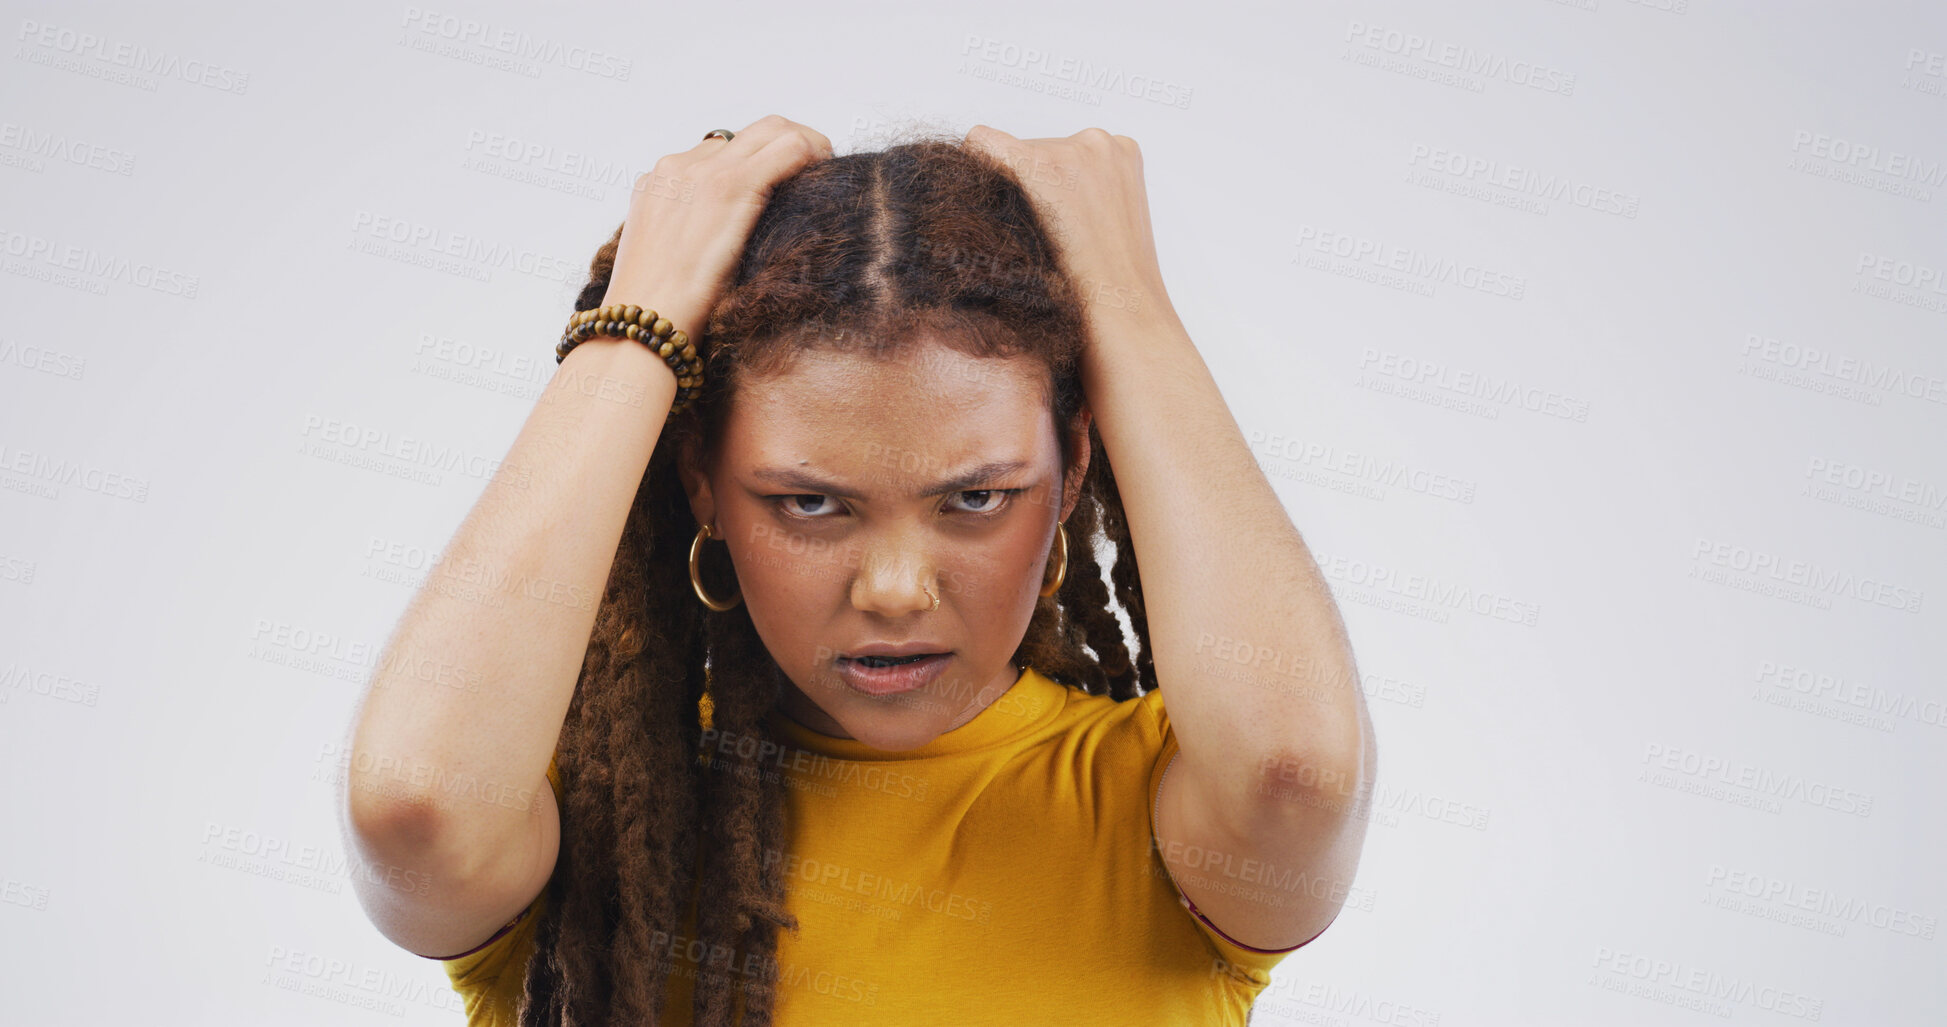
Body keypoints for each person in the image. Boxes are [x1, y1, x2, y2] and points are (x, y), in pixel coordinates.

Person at [341, 114, 1376, 1026]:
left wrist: (1125, 298)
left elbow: (1297, 771)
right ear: (703, 482)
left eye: (977, 498)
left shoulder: (1160, 810)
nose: (893, 588)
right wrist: (639, 319)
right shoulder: (598, 831)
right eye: (810, 503)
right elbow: (415, 808)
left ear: (1070, 471)